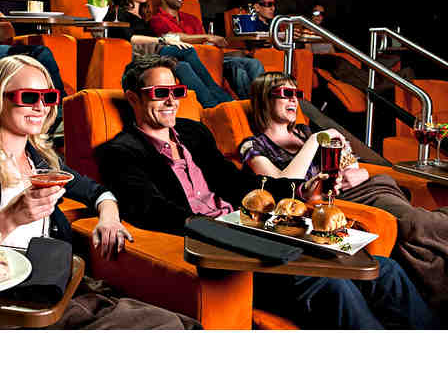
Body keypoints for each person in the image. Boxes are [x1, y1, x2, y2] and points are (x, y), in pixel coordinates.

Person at [97, 55, 439, 329]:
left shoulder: (193, 132)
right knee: (330, 284)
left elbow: (236, 182)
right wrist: (222, 229)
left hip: (255, 226)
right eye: (160, 93)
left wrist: (299, 189)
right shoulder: (120, 152)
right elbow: (151, 209)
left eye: (177, 91)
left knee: (384, 270)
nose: (172, 101)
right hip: (219, 244)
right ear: (133, 98)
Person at [0, 54, 201, 329]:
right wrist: (10, 218)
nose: (41, 107)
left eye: (48, 97)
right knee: (167, 327)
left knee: (186, 325)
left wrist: (109, 217)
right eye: (28, 97)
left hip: (51, 287)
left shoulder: (45, 162)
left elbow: (98, 192)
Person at [240, 71, 448, 318]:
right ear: (265, 97)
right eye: (286, 93)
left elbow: (352, 165)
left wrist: (356, 173)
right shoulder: (254, 145)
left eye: (297, 93)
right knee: (417, 228)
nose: (294, 99)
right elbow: (282, 183)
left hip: (365, 189)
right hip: (335, 203)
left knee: (417, 223)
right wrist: (314, 142)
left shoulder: (304, 131)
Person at [147, 0, 264, 100]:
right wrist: (208, 37)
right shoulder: (157, 20)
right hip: (191, 60)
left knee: (253, 63)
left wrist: (229, 52)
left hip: (210, 58)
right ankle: (247, 104)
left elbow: (207, 46)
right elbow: (172, 37)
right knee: (239, 69)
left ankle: (261, 103)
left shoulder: (192, 19)